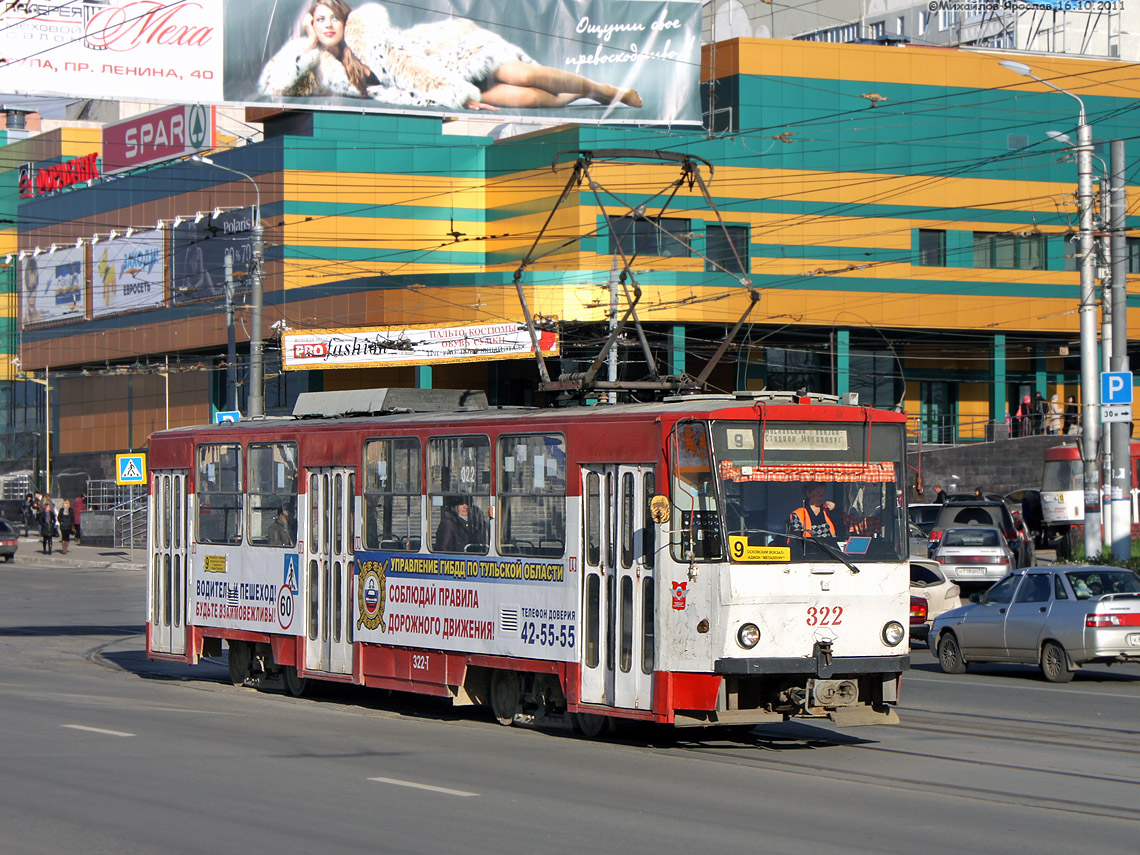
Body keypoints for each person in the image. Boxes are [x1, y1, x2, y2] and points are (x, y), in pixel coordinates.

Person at [258, 2, 643, 111]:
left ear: (344, 19)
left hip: (451, 56)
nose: (327, 25)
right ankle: (587, 96)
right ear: (312, 25)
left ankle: (601, 88)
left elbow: (411, 69)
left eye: (331, 18)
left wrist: (457, 93)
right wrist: (307, 46)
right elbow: (278, 84)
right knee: (531, 100)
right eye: (318, 20)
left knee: (526, 76)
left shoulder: (366, 31)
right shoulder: (322, 68)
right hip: (443, 89)